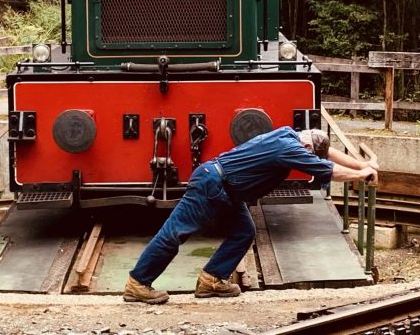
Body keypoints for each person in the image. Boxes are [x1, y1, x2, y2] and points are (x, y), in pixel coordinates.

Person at [123, 126, 379, 304]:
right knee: (175, 233)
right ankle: (138, 283)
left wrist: (363, 164)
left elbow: (327, 153)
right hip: (212, 184)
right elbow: (328, 169)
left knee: (244, 232)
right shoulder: (289, 149)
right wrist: (361, 176)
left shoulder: (289, 134)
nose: (306, 158)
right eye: (309, 154)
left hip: (226, 189)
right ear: (306, 147)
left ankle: (212, 279)